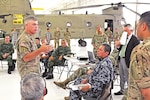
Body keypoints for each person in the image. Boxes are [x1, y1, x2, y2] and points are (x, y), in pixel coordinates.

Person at [53, 47, 118, 90]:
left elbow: (101, 75)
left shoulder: (109, 60)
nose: (97, 51)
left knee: (79, 79)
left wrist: (91, 73)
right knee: (81, 70)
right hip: (94, 73)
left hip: (96, 81)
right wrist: (92, 69)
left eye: (100, 50)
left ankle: (74, 93)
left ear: (106, 53)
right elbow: (98, 67)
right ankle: (65, 83)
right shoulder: (102, 59)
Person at [123, 11, 150, 100]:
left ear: (143, 26)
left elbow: (147, 93)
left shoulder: (141, 51)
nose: (136, 29)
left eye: (137, 26)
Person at [114, 24, 140, 95]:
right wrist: (118, 46)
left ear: (131, 31)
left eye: (126, 31)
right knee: (121, 75)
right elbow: (121, 48)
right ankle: (121, 90)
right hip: (121, 58)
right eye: (123, 31)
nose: (124, 32)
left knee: (128, 76)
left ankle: (130, 91)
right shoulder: (123, 38)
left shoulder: (135, 39)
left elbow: (136, 51)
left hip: (128, 60)